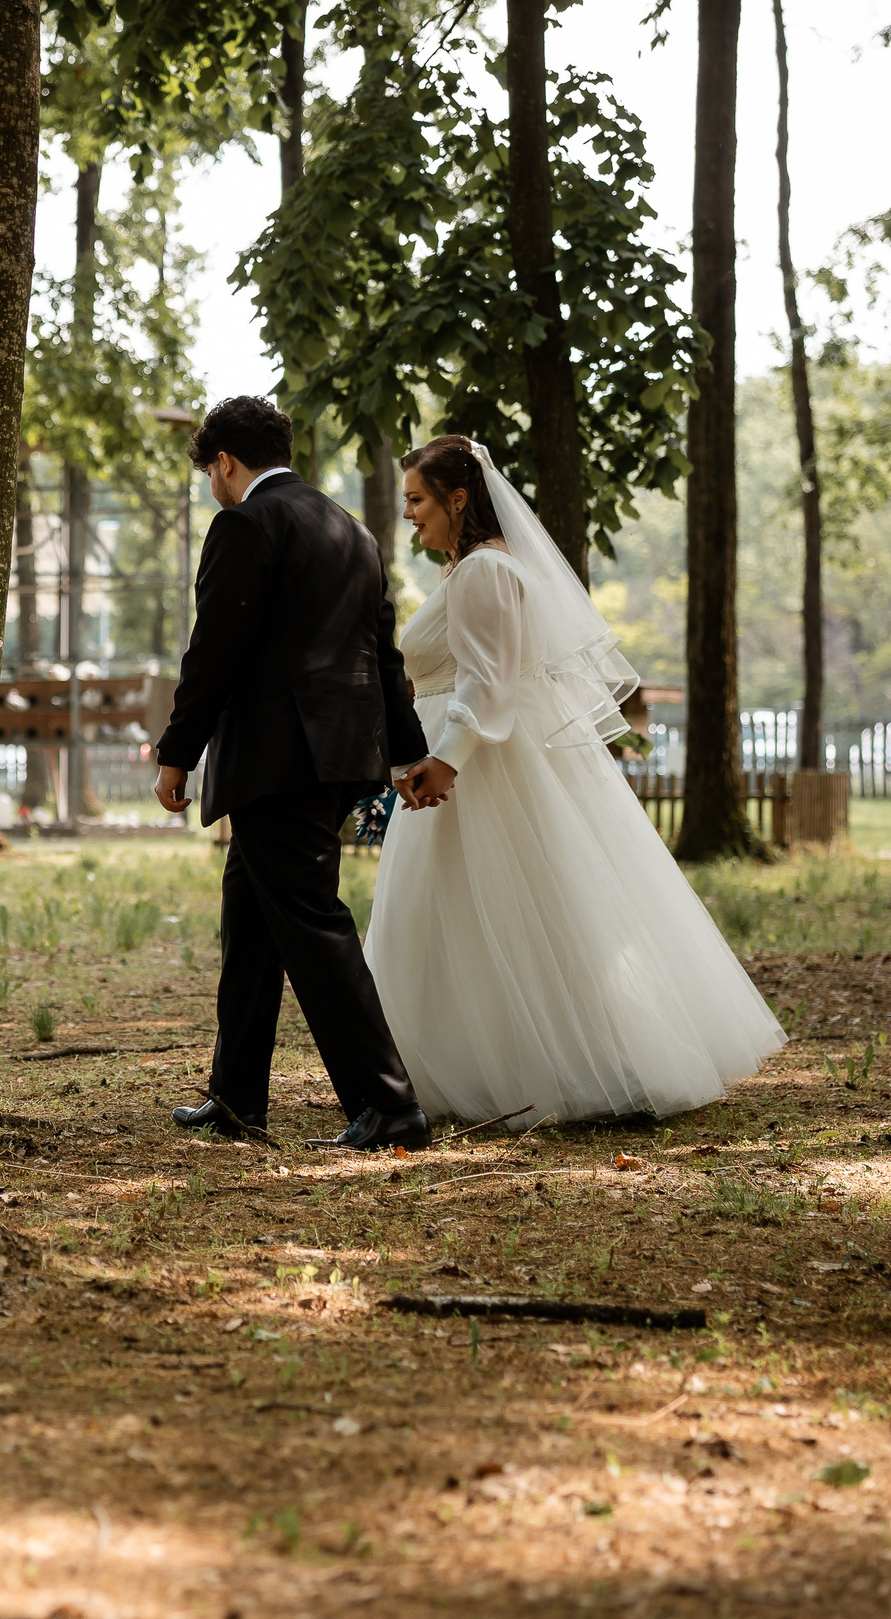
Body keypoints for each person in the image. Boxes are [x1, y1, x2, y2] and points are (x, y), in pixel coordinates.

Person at [364, 436, 785, 1126]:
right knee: (468, 916)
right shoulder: (467, 570)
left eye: (416, 499)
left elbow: (489, 677)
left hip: (480, 769)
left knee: (494, 912)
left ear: (457, 498)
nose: (409, 513)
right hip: (472, 758)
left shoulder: (483, 573)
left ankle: (534, 1069)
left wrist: (448, 757)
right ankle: (483, 1062)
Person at [151, 397, 449, 1151]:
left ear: (224, 462)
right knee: (249, 924)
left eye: (210, 472)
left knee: (313, 925)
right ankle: (236, 1096)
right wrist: (406, 752)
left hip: (278, 760)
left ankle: (389, 1105)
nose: (212, 487)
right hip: (338, 755)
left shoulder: (245, 524)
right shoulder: (351, 531)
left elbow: (213, 650)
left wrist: (177, 750)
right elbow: (384, 660)